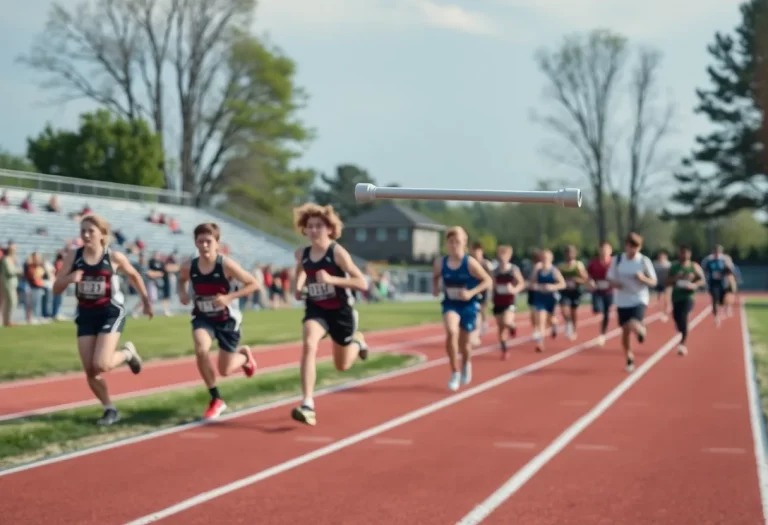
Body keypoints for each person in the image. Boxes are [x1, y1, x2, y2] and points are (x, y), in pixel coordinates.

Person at [52, 215, 151, 425]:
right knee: (90, 370)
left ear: (103, 234)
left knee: (102, 364)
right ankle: (109, 409)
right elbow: (56, 288)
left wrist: (146, 301)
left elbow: (134, 276)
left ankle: (127, 353)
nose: (86, 235)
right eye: (83, 231)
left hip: (110, 312)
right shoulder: (74, 256)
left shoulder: (114, 258)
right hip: (86, 315)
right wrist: (70, 278)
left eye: (91, 231)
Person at [290, 204, 369, 426]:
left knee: (342, 366)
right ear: (304, 230)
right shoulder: (302, 253)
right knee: (309, 343)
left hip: (340, 312)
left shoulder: (337, 253)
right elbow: (301, 270)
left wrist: (333, 280)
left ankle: (358, 343)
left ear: (329, 229)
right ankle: (307, 403)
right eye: (310, 227)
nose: (314, 230)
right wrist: (298, 286)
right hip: (316, 309)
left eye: (318, 226)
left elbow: (361, 282)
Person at [178, 223, 259, 421]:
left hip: (226, 320)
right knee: (201, 348)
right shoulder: (190, 266)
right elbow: (181, 280)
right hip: (203, 317)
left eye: (208, 241)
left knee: (225, 370)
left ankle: (245, 357)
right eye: (200, 241)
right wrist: (182, 292)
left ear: (217, 243)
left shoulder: (226, 265)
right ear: (195, 243)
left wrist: (229, 298)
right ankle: (216, 398)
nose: (204, 245)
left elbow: (253, 284)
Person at [432, 226, 492, 391]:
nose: (454, 245)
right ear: (446, 244)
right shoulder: (440, 262)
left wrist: (471, 292)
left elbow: (487, 281)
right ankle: (454, 372)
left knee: (465, 345)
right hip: (451, 304)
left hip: (468, 306)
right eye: (450, 242)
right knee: (451, 331)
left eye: (457, 242)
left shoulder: (470, 263)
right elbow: (435, 275)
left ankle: (466, 363)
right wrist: (435, 288)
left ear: (464, 243)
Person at [607, 232, 657, 373]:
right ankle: (629, 355)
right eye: (631, 246)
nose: (633, 250)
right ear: (626, 246)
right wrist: (615, 283)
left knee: (632, 322)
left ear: (640, 247)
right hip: (622, 300)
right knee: (625, 331)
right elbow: (609, 278)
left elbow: (654, 281)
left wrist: (643, 279)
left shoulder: (643, 261)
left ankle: (641, 331)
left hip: (639, 298)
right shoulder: (617, 260)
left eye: (636, 247)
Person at [667, 245, 704, 356]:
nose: (683, 255)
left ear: (689, 254)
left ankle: (682, 344)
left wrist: (694, 285)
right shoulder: (674, 267)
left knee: (685, 317)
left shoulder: (694, 266)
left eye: (685, 253)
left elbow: (702, 280)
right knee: (677, 318)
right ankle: (681, 328)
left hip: (688, 296)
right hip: (676, 296)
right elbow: (667, 281)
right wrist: (676, 278)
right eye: (681, 253)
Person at [528, 249, 566, 353]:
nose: (545, 259)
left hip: (551, 299)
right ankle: (540, 343)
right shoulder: (538, 270)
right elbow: (531, 283)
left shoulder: (554, 270)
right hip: (540, 298)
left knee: (551, 320)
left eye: (547, 258)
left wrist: (552, 287)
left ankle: (554, 325)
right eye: (543, 257)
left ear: (551, 258)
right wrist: (536, 286)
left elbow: (563, 284)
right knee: (540, 319)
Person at [491, 244, 525, 359]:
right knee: (500, 328)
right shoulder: (494, 271)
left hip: (509, 301)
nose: (501, 257)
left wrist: (514, 289)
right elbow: (491, 283)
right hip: (497, 301)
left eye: (504, 255)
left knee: (507, 321)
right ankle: (504, 349)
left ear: (509, 256)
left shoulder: (513, 269)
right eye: (500, 254)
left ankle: (512, 327)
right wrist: (493, 287)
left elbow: (521, 283)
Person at [586, 241, 614, 347]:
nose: (604, 251)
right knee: (597, 309)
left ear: (610, 251)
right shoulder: (593, 263)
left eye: (606, 249)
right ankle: (598, 310)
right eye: (602, 249)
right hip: (597, 290)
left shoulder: (613, 262)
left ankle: (602, 334)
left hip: (609, 291)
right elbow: (587, 274)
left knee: (606, 313)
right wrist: (590, 281)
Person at [557, 245, 588, 340]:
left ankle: (574, 330)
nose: (569, 255)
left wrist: (576, 280)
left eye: (571, 253)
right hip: (565, 291)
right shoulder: (560, 266)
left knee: (573, 312)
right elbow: (555, 278)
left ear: (574, 254)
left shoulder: (578, 265)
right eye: (567, 253)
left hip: (575, 291)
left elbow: (585, 278)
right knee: (563, 309)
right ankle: (568, 322)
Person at [701, 245, 734, 326]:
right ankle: (716, 317)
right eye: (715, 251)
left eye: (718, 251)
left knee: (722, 301)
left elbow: (730, 271)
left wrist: (723, 273)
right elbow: (703, 270)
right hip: (713, 283)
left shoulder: (724, 259)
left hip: (723, 283)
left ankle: (724, 309)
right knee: (715, 300)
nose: (716, 253)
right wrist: (705, 280)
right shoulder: (708, 260)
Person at [470, 242, 493, 344]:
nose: (476, 253)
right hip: (473, 289)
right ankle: (476, 332)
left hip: (484, 289)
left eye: (478, 251)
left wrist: (490, 290)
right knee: (476, 311)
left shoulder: (486, 264)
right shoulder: (470, 262)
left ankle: (482, 325)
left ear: (481, 252)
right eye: (474, 251)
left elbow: (491, 278)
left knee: (482, 309)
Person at [653, 251, 672, 321]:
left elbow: (672, 273)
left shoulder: (669, 264)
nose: (661, 258)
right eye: (660, 256)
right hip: (659, 283)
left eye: (662, 256)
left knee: (667, 298)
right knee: (659, 298)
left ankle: (666, 311)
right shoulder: (655, 264)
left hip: (667, 283)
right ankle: (660, 311)